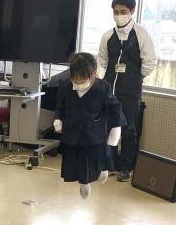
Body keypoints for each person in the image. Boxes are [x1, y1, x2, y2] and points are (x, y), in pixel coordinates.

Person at [97, 0, 157, 182]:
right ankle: (110, 164)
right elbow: (102, 61)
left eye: (123, 12)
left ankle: (126, 167)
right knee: (108, 127)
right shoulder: (108, 36)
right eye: (116, 12)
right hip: (109, 90)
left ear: (132, 11)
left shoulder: (141, 34)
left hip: (130, 91)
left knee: (129, 130)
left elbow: (150, 62)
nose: (119, 15)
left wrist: (136, 78)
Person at [54, 53, 126, 199]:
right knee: (77, 160)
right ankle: (84, 182)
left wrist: (116, 127)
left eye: (82, 80)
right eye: (75, 79)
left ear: (94, 74)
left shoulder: (103, 87)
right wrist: (58, 119)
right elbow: (60, 106)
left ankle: (104, 169)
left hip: (94, 132)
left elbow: (114, 108)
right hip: (72, 131)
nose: (79, 83)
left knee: (97, 156)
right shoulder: (66, 86)